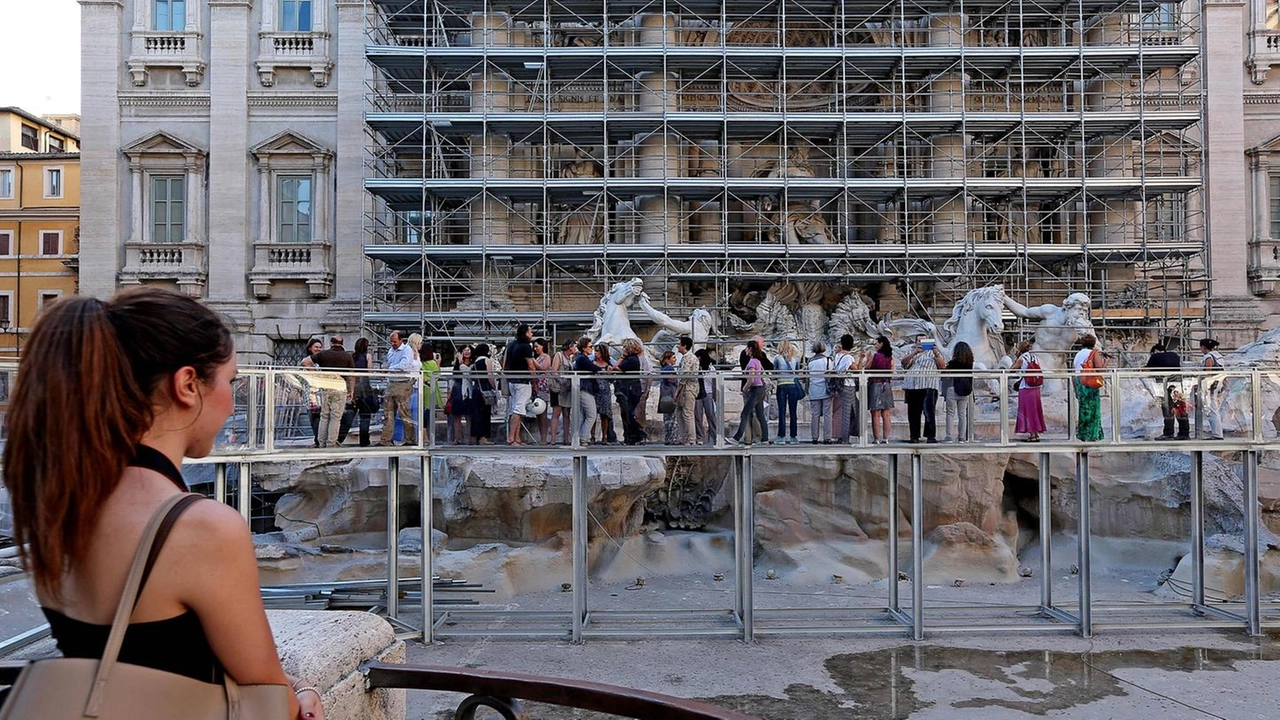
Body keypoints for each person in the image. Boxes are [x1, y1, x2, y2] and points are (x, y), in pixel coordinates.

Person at [1, 288, 324, 720]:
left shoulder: (54, 498)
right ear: (188, 385)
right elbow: (266, 693)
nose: (232, 400)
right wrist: (301, 691)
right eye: (230, 381)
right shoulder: (200, 527)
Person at [310, 336, 356, 448]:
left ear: (331, 343)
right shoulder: (347, 356)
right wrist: (351, 390)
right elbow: (352, 375)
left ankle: (321, 442)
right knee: (336, 417)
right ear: (342, 343)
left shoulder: (323, 354)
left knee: (324, 416)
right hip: (340, 388)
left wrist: (316, 375)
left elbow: (305, 362)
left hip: (326, 387)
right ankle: (331, 443)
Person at [379, 330, 421, 446]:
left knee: (404, 413)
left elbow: (404, 365)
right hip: (392, 382)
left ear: (401, 340)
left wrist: (390, 368)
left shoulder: (407, 350)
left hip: (402, 383)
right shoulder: (391, 351)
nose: (393, 344)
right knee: (388, 413)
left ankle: (410, 439)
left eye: (395, 341)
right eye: (391, 342)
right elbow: (389, 363)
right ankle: (385, 439)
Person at [901, 334, 945, 443]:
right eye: (919, 341)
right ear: (916, 342)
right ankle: (914, 436)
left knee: (929, 411)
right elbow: (904, 363)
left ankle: (930, 436)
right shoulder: (912, 352)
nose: (921, 343)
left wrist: (936, 353)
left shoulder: (934, 353)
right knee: (913, 413)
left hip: (928, 384)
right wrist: (915, 353)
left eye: (924, 341)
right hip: (912, 385)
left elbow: (942, 366)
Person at [1146, 342, 1188, 441]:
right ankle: (1184, 433)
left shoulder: (1155, 356)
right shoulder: (1174, 355)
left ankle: (1169, 433)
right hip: (1177, 384)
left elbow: (1148, 370)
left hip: (1163, 386)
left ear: (1155, 351)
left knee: (1167, 410)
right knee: (1180, 408)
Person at [732, 340, 770, 445]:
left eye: (747, 348)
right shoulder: (758, 360)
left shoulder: (752, 362)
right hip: (761, 389)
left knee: (745, 414)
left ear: (750, 349)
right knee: (760, 414)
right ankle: (765, 438)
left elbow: (751, 378)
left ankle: (736, 438)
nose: (745, 350)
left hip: (755, 390)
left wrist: (744, 388)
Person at [504, 324, 536, 446]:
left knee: (519, 409)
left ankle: (517, 438)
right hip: (523, 381)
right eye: (530, 332)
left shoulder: (511, 345)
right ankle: (511, 437)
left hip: (512, 380)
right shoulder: (526, 346)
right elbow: (530, 365)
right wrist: (534, 380)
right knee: (518, 410)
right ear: (526, 333)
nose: (532, 334)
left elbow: (505, 361)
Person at [1073, 334, 1106, 442]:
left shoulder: (1078, 354)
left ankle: (1083, 433)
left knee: (1083, 408)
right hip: (1090, 381)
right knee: (1093, 408)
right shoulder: (1093, 353)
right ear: (1093, 343)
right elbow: (1100, 369)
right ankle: (1093, 434)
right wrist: (1105, 361)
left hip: (1080, 381)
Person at [1013, 340, 1046, 443]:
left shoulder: (1022, 358)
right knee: (1035, 410)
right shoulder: (1034, 357)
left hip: (1026, 386)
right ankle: (1035, 434)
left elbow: (1012, 369)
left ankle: (1031, 434)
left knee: (1027, 411)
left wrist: (1016, 358)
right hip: (1036, 387)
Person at [573, 337, 604, 442]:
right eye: (590, 347)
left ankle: (580, 438)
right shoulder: (582, 358)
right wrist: (602, 368)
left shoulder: (581, 357)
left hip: (584, 388)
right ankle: (583, 438)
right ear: (584, 347)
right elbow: (593, 368)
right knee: (591, 415)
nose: (592, 349)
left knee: (584, 415)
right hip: (585, 388)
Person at [831, 334, 861, 444]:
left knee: (850, 410)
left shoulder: (837, 355)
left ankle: (844, 435)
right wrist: (861, 360)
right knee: (848, 412)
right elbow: (856, 369)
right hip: (848, 385)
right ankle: (845, 438)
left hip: (840, 386)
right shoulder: (848, 357)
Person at [943, 341, 975, 443]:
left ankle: (949, 437)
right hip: (965, 390)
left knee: (950, 414)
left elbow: (945, 372)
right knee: (962, 414)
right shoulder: (970, 362)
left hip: (953, 388)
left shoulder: (953, 363)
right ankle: (962, 437)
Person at [616, 338, 646, 445]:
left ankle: (638, 433)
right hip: (631, 388)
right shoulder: (632, 359)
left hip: (630, 389)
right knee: (626, 413)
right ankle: (630, 437)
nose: (623, 349)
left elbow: (617, 368)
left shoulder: (631, 360)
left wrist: (622, 357)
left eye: (625, 347)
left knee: (628, 413)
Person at [867, 336, 895, 444]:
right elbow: (892, 371)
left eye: (877, 343)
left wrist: (868, 358)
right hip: (886, 384)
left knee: (875, 413)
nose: (875, 345)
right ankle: (886, 438)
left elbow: (868, 367)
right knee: (886, 413)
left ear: (881, 344)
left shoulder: (875, 356)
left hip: (875, 384)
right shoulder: (890, 357)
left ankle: (876, 438)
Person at [352, 337, 378, 447]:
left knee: (351, 413)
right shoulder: (367, 356)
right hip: (364, 387)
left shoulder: (352, 356)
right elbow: (370, 371)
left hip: (353, 387)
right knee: (365, 415)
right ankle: (364, 440)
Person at [1198, 338, 1225, 440]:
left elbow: (1208, 372)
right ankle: (1217, 433)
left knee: (1211, 409)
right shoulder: (1218, 355)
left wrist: (1204, 383)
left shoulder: (1208, 357)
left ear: (1203, 347)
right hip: (1218, 384)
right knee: (1214, 408)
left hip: (1211, 386)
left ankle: (1217, 434)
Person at [550, 340, 576, 444]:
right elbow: (554, 371)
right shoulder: (559, 355)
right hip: (558, 388)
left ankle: (566, 439)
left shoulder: (570, 359)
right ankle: (553, 439)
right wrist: (561, 381)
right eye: (574, 346)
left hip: (567, 389)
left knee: (567, 413)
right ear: (570, 347)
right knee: (556, 412)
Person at [806, 341, 832, 444]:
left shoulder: (810, 362)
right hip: (826, 390)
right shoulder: (828, 360)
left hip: (813, 390)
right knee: (827, 415)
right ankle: (827, 437)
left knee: (815, 414)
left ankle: (814, 437)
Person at [676, 336, 700, 445]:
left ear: (684, 346)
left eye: (679, 344)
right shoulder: (687, 357)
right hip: (686, 388)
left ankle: (691, 439)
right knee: (680, 413)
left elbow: (684, 375)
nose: (677, 346)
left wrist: (678, 390)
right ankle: (684, 437)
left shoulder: (688, 357)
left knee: (687, 413)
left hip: (688, 389)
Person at [448, 345, 474, 445]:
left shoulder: (473, 363)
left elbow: (467, 374)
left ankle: (470, 437)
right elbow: (454, 377)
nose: (467, 352)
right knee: (457, 415)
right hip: (458, 389)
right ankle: (457, 438)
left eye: (468, 350)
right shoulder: (457, 363)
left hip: (468, 389)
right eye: (464, 350)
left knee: (469, 416)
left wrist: (461, 363)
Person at [470, 343, 496, 445]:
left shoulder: (475, 362)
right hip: (485, 388)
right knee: (485, 413)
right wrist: (494, 386)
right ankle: (484, 437)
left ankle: (475, 437)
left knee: (477, 413)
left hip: (476, 388)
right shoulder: (486, 360)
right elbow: (490, 374)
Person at [301, 338, 323, 447]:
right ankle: (317, 440)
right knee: (313, 418)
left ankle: (319, 441)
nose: (318, 349)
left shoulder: (322, 361)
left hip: (321, 394)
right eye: (316, 347)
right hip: (310, 393)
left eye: (320, 347)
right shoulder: (306, 361)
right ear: (310, 348)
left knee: (318, 418)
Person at [694, 348, 719, 445]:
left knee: (711, 415)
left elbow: (714, 383)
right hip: (698, 393)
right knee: (698, 416)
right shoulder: (696, 368)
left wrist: (715, 396)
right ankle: (700, 437)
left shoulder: (711, 369)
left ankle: (714, 436)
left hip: (708, 393)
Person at [594, 343, 617, 443]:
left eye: (597, 351)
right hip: (594, 391)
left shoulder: (608, 364)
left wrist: (610, 373)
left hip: (605, 392)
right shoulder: (592, 363)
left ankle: (604, 436)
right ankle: (592, 436)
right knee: (593, 414)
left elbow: (612, 380)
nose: (595, 353)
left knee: (605, 415)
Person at [532, 338, 553, 444]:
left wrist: (533, 361)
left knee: (543, 413)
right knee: (538, 413)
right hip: (536, 386)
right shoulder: (537, 357)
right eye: (534, 347)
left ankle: (544, 437)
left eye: (537, 346)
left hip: (543, 387)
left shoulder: (546, 357)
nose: (535, 349)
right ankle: (541, 436)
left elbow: (543, 368)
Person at [659, 350, 682, 444]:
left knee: (667, 419)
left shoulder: (664, 368)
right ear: (667, 359)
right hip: (670, 394)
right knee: (672, 419)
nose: (675, 359)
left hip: (664, 394)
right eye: (673, 358)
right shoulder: (669, 368)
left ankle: (668, 438)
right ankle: (672, 439)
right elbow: (671, 380)